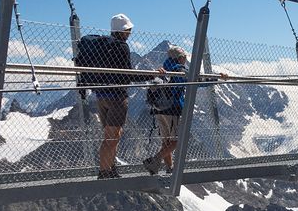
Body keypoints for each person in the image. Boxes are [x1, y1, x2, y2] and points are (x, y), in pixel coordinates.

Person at [143, 45, 227, 175]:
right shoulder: (179, 69)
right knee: (178, 139)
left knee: (166, 141)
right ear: (180, 58)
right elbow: (196, 80)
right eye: (185, 57)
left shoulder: (164, 68)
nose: (186, 59)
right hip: (173, 109)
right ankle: (155, 160)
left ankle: (169, 168)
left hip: (158, 110)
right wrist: (216, 78)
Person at [92, 13, 154, 179]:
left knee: (113, 135)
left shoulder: (102, 46)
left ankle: (110, 169)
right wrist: (152, 75)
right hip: (117, 97)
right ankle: (104, 172)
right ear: (123, 30)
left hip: (101, 95)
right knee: (111, 137)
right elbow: (128, 75)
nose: (130, 33)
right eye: (128, 30)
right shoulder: (121, 47)